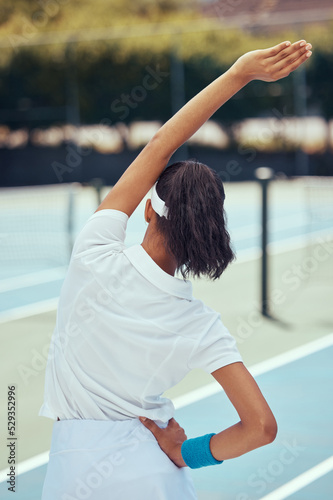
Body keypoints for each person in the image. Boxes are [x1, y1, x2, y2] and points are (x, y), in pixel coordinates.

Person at [39, 39, 312, 499]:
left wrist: (240, 73)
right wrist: (189, 453)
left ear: (149, 210)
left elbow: (163, 144)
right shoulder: (201, 326)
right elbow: (261, 427)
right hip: (155, 474)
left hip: (73, 471)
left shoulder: (94, 253)